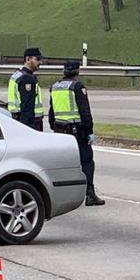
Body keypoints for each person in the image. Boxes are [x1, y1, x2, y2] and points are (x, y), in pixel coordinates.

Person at [48, 60, 105, 206]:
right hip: (76, 130)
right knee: (86, 161)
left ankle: (63, 195)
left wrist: (54, 127)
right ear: (77, 71)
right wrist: (89, 131)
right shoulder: (77, 87)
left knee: (64, 162)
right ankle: (89, 194)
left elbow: (51, 111)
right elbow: (85, 112)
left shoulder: (54, 87)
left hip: (60, 130)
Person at [7, 48, 44, 131]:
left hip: (18, 120)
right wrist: (28, 129)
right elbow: (27, 107)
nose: (40, 62)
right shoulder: (26, 79)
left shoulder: (17, 75)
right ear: (28, 59)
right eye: (37, 59)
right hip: (30, 123)